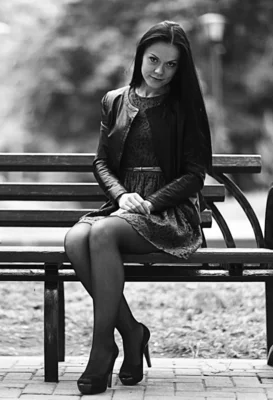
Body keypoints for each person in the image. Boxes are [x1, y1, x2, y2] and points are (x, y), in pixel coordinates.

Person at [63, 20, 213, 395]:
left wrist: (150, 201)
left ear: (182, 68)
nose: (160, 71)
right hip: (122, 206)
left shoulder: (185, 107)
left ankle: (101, 353)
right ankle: (131, 332)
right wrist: (119, 196)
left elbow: (196, 175)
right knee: (75, 239)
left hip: (167, 210)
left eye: (171, 65)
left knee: (99, 233)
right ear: (140, 56)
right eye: (153, 60)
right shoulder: (115, 100)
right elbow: (100, 163)